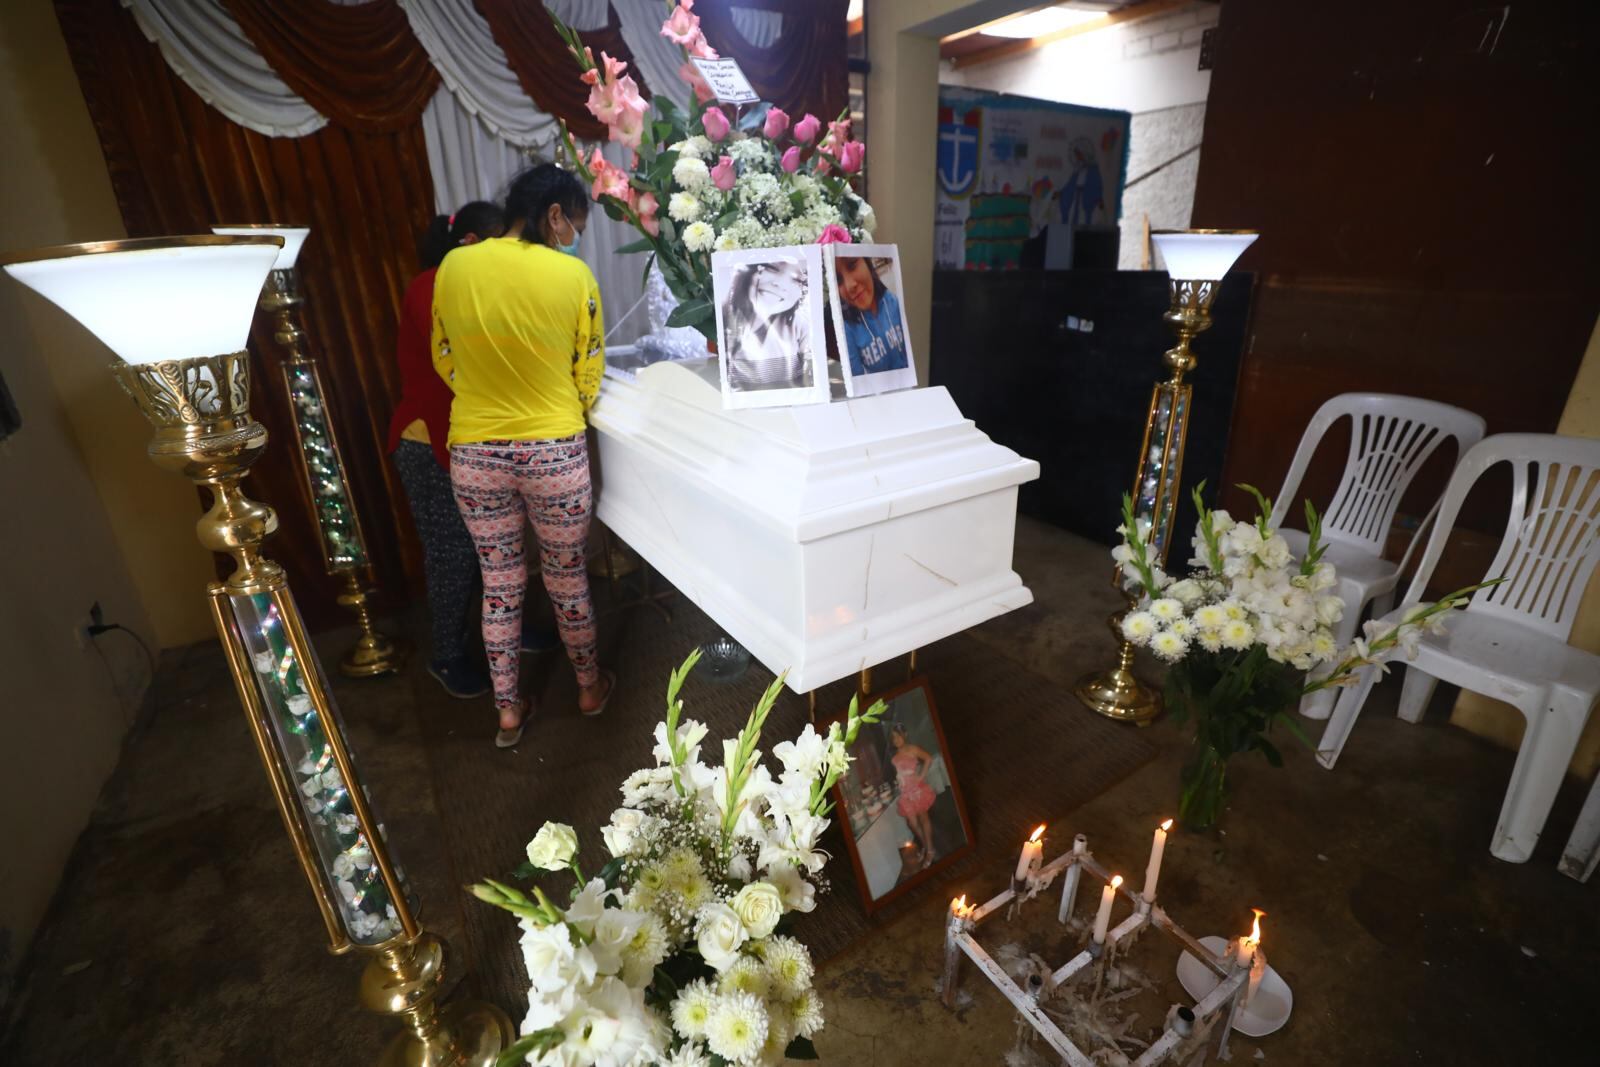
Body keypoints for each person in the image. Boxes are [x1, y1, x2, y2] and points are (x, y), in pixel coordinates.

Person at [432, 165, 615, 748]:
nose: (573, 238)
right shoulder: (574, 276)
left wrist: (486, 397)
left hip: (476, 452)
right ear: (554, 214)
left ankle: (507, 710)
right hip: (554, 450)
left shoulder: (454, 266)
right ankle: (589, 689)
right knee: (566, 578)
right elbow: (589, 366)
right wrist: (561, 406)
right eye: (573, 225)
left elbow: (444, 355)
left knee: (501, 581)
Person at [387, 201, 506, 699]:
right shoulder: (430, 284)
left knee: (498, 550)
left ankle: (508, 637)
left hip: (469, 439)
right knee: (452, 554)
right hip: (426, 440)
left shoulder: (471, 283)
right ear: (473, 244)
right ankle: (446, 655)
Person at [721, 257, 813, 391]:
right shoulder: (722, 320)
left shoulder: (800, 327)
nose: (780, 283)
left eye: (797, 280)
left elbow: (811, 379)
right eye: (772, 268)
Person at [834, 254, 909, 376]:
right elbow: (857, 381)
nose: (849, 286)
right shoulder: (847, 330)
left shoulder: (892, 301)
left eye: (852, 265)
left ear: (867, 262)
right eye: (838, 280)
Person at [889, 724, 937, 869]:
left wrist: (921, 776)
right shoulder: (895, 757)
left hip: (917, 790)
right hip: (905, 792)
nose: (896, 740)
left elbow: (928, 758)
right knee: (913, 823)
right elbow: (900, 773)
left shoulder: (913, 749)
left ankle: (929, 850)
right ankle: (927, 846)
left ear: (905, 734)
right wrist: (899, 781)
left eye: (898, 736)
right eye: (893, 738)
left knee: (923, 818)